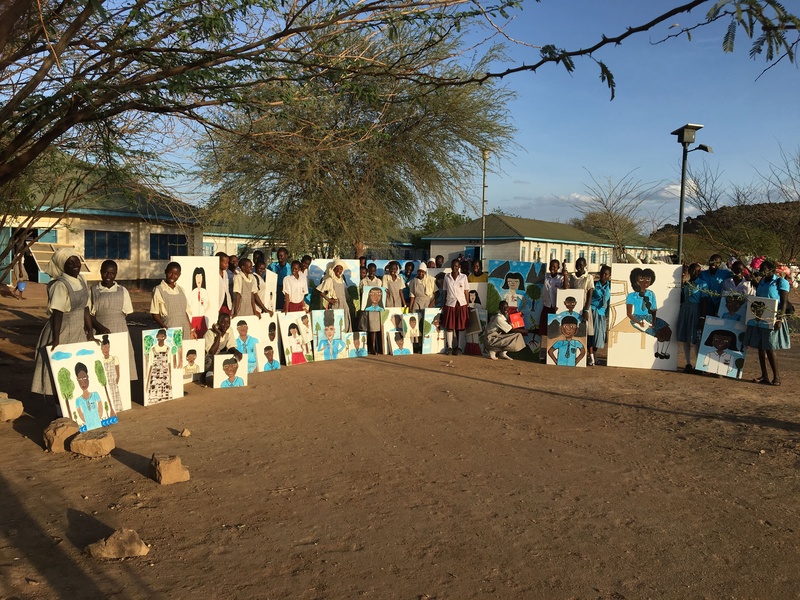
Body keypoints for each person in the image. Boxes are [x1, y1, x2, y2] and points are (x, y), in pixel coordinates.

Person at [32, 248, 96, 398]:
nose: (75, 264)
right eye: (70, 262)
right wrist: (56, 339)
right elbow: (58, 313)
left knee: (78, 369)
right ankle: (59, 411)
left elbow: (85, 308)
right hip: (62, 329)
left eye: (77, 261)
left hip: (78, 330)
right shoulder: (59, 285)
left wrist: (90, 332)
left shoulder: (82, 279)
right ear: (62, 266)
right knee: (61, 370)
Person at [744, 259, 790, 386]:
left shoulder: (781, 282)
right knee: (761, 347)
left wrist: (780, 318)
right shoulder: (762, 282)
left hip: (773, 317)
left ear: (771, 270)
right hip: (760, 317)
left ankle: (776, 376)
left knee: (770, 347)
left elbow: (784, 301)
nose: (761, 271)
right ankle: (764, 375)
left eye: (763, 269)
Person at [90, 259, 138, 380]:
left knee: (120, 358)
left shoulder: (122, 291)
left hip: (119, 330)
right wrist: (100, 327)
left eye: (112, 273)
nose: (108, 276)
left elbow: (126, 312)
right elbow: (90, 314)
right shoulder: (93, 290)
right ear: (100, 272)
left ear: (116, 274)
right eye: (106, 272)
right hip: (100, 330)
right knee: (103, 360)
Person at [626, 267, 673, 360]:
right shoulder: (632, 296)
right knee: (660, 334)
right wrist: (639, 323)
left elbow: (654, 310)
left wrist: (653, 322)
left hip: (650, 317)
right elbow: (629, 314)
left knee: (668, 331)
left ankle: (663, 352)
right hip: (637, 319)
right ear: (636, 281)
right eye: (641, 279)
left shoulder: (651, 294)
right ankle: (659, 353)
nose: (645, 282)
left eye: (648, 279)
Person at [676, 262, 708, 373]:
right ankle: (688, 363)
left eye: (698, 271)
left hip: (696, 310)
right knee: (685, 337)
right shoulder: (686, 284)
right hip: (685, 309)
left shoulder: (703, 284)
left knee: (695, 338)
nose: (696, 273)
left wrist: (702, 317)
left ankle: (699, 365)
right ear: (689, 271)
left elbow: (704, 301)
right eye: (694, 270)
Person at [151, 262, 194, 339]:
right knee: (172, 350)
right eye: (170, 273)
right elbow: (155, 313)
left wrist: (191, 329)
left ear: (179, 275)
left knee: (183, 350)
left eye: (176, 274)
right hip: (170, 327)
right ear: (165, 271)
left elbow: (185, 312)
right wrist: (164, 326)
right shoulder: (158, 289)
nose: (172, 276)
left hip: (185, 327)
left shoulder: (181, 290)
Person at [73, 362, 114, 431]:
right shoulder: (78, 400)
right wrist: (86, 420)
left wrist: (98, 416)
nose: (83, 382)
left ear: (88, 377)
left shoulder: (95, 394)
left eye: (84, 377)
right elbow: (80, 413)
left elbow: (100, 406)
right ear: (77, 379)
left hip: (98, 424)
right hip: (89, 427)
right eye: (80, 379)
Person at [441, 259, 469, 355]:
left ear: (459, 266)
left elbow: (466, 291)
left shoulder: (463, 277)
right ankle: (449, 347)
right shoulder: (447, 277)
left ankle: (460, 348)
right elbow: (445, 291)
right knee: (450, 326)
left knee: (460, 326)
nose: (454, 267)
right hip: (450, 303)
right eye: (453, 265)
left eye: (456, 266)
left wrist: (467, 304)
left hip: (461, 304)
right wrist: (444, 303)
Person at [316, 259, 353, 332]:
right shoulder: (330, 280)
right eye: (337, 268)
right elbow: (319, 290)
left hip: (344, 304)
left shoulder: (341, 280)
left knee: (345, 324)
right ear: (334, 269)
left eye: (341, 269)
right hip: (336, 304)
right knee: (336, 324)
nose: (339, 270)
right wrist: (328, 299)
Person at [538, 259, 564, 361]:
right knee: (544, 331)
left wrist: (565, 274)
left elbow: (566, 287)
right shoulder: (546, 278)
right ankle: (541, 354)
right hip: (547, 307)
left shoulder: (561, 279)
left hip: (556, 308)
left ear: (558, 268)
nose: (553, 269)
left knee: (554, 332)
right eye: (551, 267)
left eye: (555, 267)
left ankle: (552, 355)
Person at [204, 312, 239, 382]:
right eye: (222, 322)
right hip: (209, 358)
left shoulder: (229, 330)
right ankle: (208, 375)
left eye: (227, 322)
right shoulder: (210, 333)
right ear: (218, 322)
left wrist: (237, 352)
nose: (225, 325)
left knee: (232, 356)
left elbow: (231, 346)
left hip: (219, 357)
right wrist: (219, 334)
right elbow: (211, 352)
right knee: (211, 359)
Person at [587, 264, 611, 366]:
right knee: (591, 335)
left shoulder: (610, 286)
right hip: (592, 311)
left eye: (606, 274)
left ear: (609, 276)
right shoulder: (594, 284)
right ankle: (591, 357)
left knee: (598, 337)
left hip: (602, 313)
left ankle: (595, 356)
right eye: (602, 273)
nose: (604, 276)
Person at [145, 329, 174, 403]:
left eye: (162, 337)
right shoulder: (153, 349)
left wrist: (170, 381)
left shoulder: (167, 349)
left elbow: (169, 364)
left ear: (165, 337)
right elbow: (151, 365)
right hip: (155, 375)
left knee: (165, 394)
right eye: (159, 336)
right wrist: (147, 383)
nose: (161, 338)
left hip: (164, 375)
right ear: (156, 336)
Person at [99, 334, 124, 413]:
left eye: (107, 347)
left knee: (115, 399)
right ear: (101, 349)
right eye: (103, 347)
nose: (105, 349)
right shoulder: (101, 360)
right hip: (105, 384)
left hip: (113, 383)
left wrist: (115, 382)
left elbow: (118, 373)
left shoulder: (114, 358)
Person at [188, 266, 212, 337]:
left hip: (202, 318)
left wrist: (203, 311)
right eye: (197, 277)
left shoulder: (204, 291)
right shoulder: (193, 292)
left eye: (200, 277)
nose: (199, 279)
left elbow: (209, 304)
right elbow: (187, 306)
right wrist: (193, 313)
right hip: (194, 318)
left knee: (204, 335)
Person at [362, 285, 385, 355]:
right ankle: (365, 347)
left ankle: (373, 347)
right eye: (373, 294)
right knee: (365, 329)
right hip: (366, 311)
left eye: (378, 294)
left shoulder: (378, 281)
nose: (376, 297)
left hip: (376, 313)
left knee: (374, 329)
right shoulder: (364, 282)